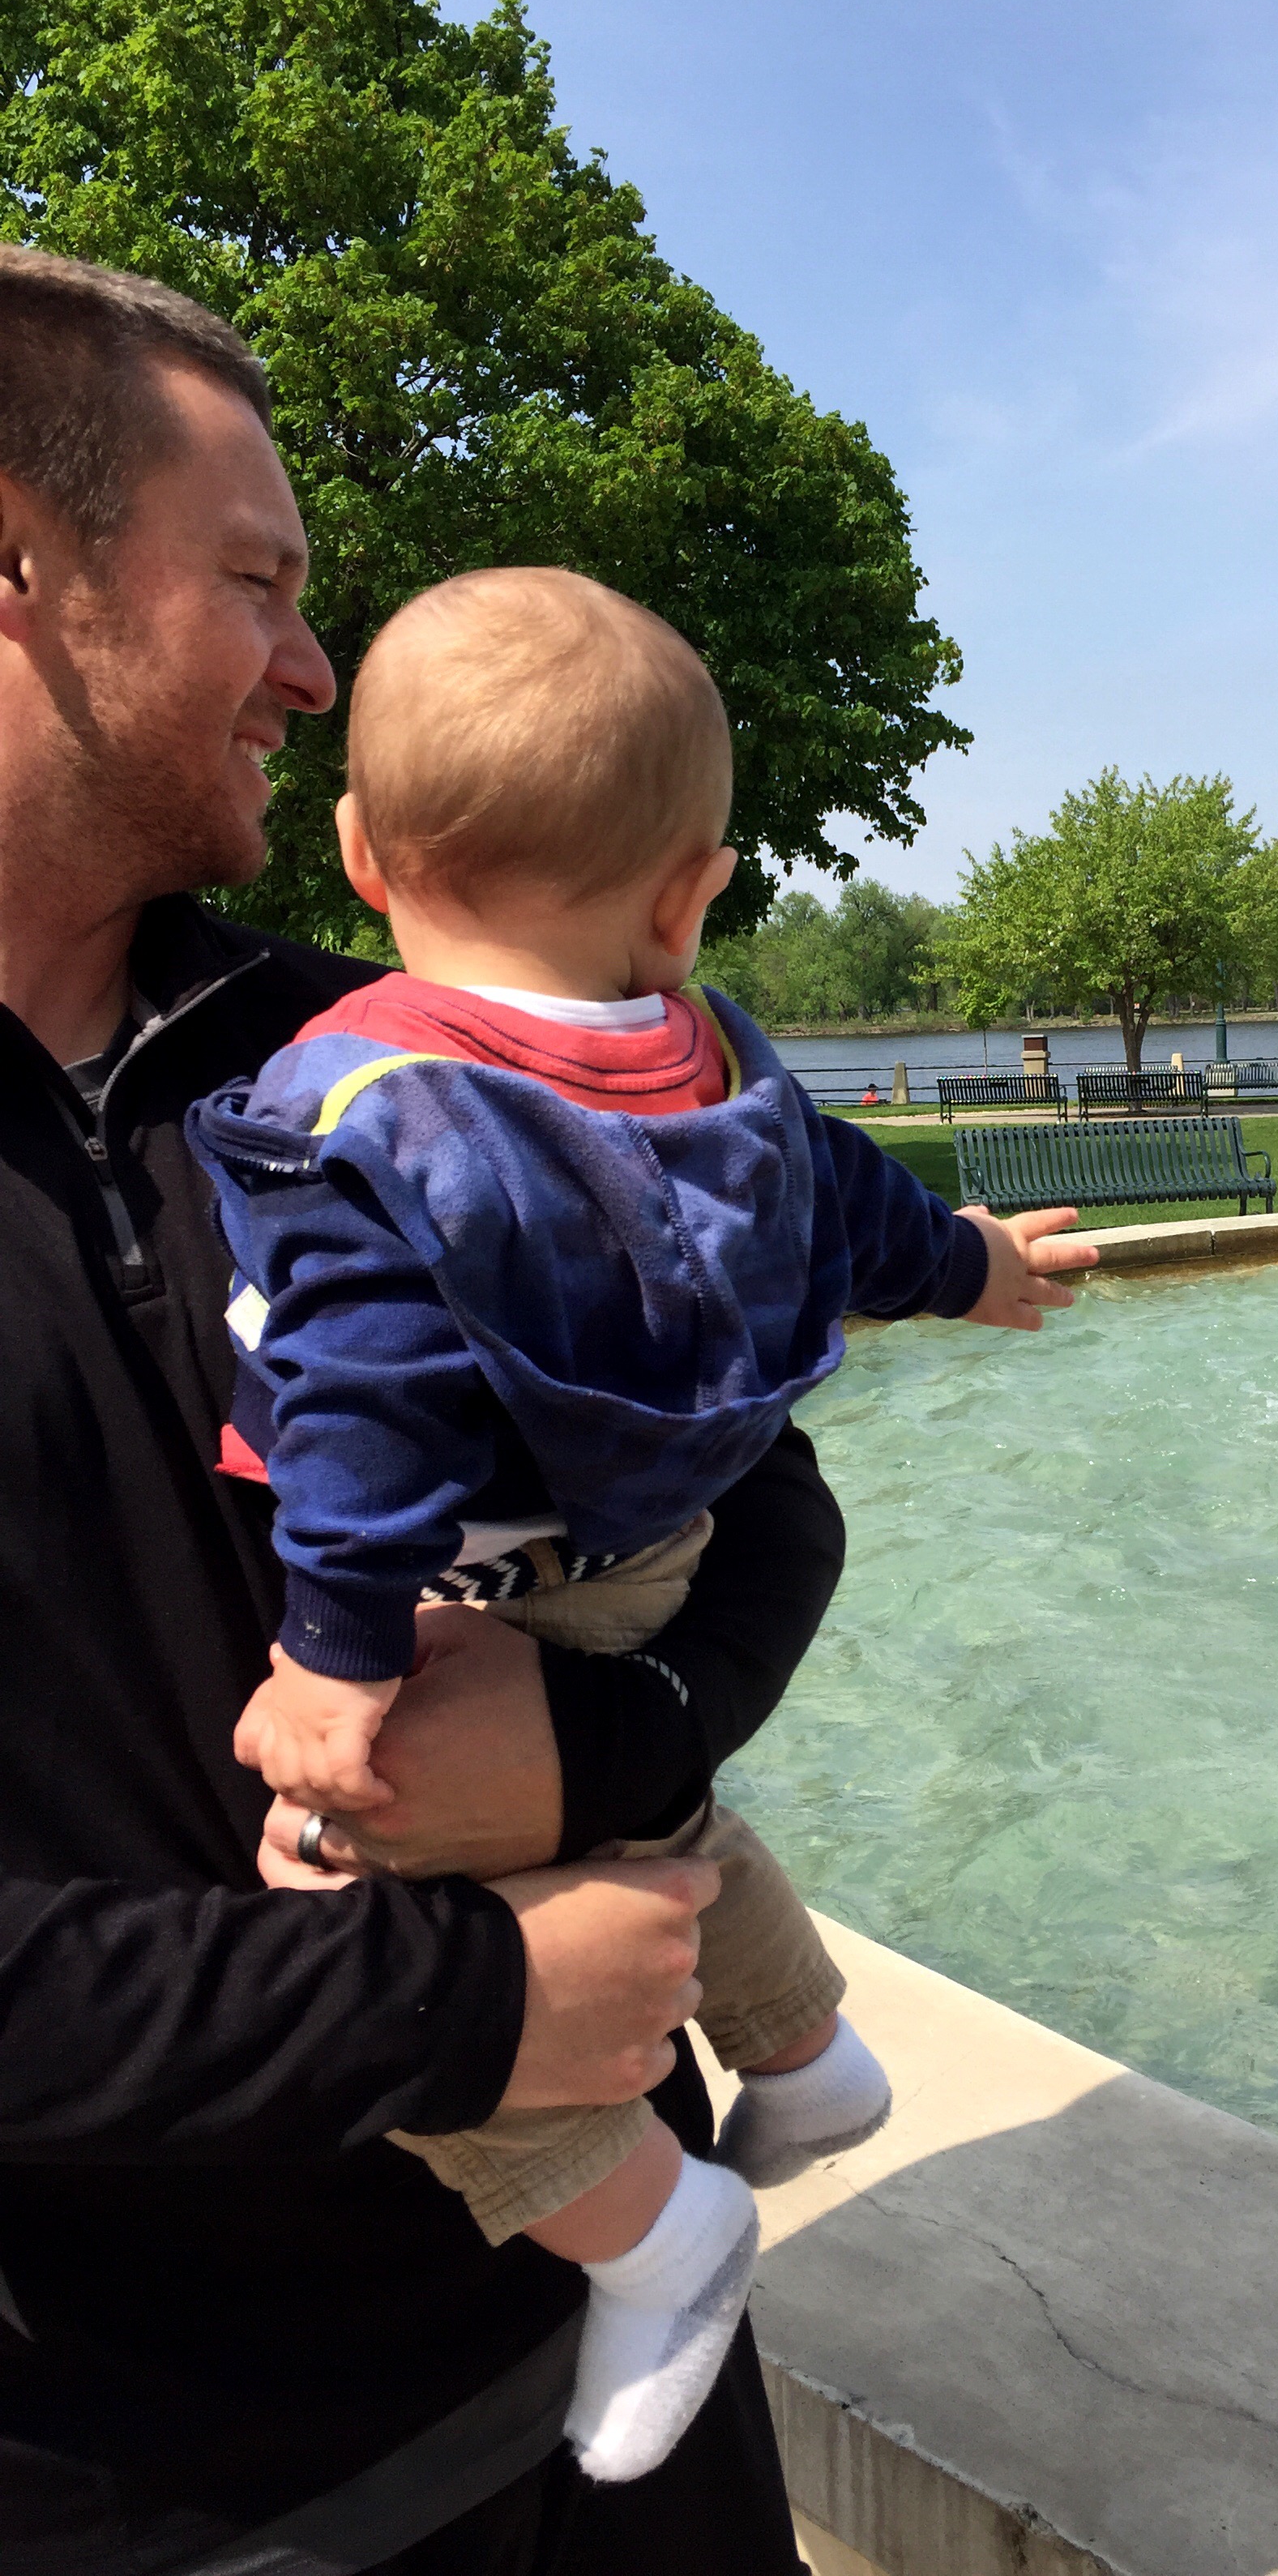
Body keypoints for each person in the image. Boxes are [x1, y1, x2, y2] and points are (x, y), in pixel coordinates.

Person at [0, 241, 835, 2572]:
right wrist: (456, 2006)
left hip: (622, 2398)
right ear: (19, 564)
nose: (317, 667)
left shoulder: (394, 1057)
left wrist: (602, 1744)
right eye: (257, 582)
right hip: (154, 2501)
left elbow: (767, 1507)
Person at [189, 567, 1095, 2485]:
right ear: (688, 899)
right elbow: (859, 1211)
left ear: (358, 854)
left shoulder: (375, 1103)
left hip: (474, 1567)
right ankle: (807, 2050)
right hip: (655, 1549)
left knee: (347, 1916)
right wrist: (978, 1264)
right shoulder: (717, 1071)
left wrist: (336, 1657)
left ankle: (650, 2230)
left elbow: (364, 1401)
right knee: (632, 1808)